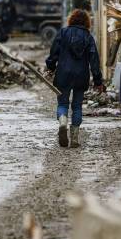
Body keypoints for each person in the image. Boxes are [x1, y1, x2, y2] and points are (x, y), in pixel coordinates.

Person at [46, 9, 104, 148]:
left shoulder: (63, 33)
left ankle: (63, 122)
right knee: (77, 106)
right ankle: (75, 138)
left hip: (63, 74)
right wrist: (98, 81)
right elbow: (94, 60)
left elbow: (54, 53)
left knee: (62, 104)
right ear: (86, 22)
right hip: (81, 75)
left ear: (71, 19)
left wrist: (51, 67)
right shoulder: (88, 37)